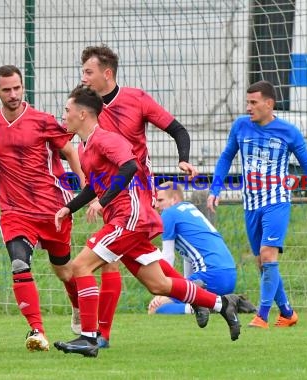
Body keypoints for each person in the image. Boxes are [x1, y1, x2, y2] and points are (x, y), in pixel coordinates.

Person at [52, 85, 241, 357]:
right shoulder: (84, 148)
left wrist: (103, 202)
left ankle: (89, 338)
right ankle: (223, 305)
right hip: (123, 218)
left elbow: (130, 167)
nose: (64, 116)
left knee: (80, 266)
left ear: (83, 114)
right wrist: (68, 209)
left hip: (129, 216)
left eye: (67, 111)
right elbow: (94, 187)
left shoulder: (107, 139)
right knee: (159, 285)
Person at [0, 65, 84, 351]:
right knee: (19, 263)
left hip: (53, 209)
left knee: (63, 271)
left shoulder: (42, 120)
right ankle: (36, 330)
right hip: (14, 211)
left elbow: (70, 151)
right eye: (6, 90)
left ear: (23, 88)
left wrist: (88, 189)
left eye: (17, 88)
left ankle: (77, 305)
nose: (13, 94)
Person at [78, 44, 199, 348]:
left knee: (107, 258)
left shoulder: (136, 99)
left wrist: (183, 158)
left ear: (107, 73)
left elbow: (178, 130)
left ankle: (97, 336)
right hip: (110, 192)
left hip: (136, 192)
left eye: (88, 72)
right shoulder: (86, 109)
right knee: (142, 263)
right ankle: (203, 299)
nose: (83, 78)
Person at [207, 80, 307, 329]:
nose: (248, 107)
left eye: (253, 102)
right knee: (262, 262)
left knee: (268, 254)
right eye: (247, 102)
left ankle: (261, 316)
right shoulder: (241, 126)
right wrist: (215, 188)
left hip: (277, 201)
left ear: (269, 103)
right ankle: (287, 312)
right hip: (250, 204)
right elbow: (226, 157)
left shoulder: (288, 131)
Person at [148, 181, 237, 317]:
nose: (156, 204)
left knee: (157, 308)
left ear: (174, 199)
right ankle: (224, 303)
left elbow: (168, 256)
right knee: (182, 299)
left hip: (210, 275)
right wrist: (185, 285)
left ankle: (214, 307)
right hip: (229, 275)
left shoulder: (169, 214)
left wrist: (163, 290)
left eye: (160, 200)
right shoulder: (189, 208)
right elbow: (189, 258)